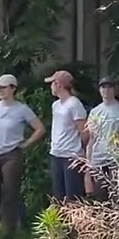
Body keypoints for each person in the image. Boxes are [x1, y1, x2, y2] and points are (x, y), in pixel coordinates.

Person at [0, 74, 45, 239]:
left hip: (11, 154)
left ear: (13, 88)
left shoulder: (21, 109)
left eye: (3, 87)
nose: (0, 91)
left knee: (10, 193)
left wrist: (26, 144)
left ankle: (9, 232)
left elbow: (40, 129)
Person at [82, 76, 119, 203]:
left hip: (117, 157)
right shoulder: (95, 112)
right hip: (98, 158)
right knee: (100, 194)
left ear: (115, 89)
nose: (106, 90)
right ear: (99, 90)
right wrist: (88, 163)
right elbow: (92, 138)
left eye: (109, 87)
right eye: (103, 87)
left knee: (117, 193)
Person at [45, 70, 87, 203]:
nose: (51, 86)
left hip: (71, 155)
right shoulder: (55, 105)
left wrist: (83, 152)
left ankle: (74, 223)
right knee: (58, 195)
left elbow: (84, 131)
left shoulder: (74, 103)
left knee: (73, 196)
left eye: (52, 83)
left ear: (58, 84)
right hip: (56, 153)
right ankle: (61, 223)